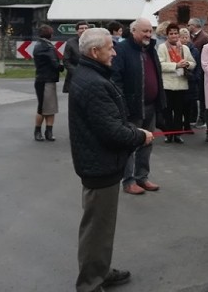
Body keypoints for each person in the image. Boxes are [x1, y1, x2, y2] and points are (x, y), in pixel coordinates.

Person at [68, 27, 154, 292]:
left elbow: (108, 123)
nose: (114, 52)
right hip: (100, 165)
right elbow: (112, 131)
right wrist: (140, 136)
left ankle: (100, 271)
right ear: (95, 52)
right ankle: (90, 283)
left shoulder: (90, 74)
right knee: (97, 228)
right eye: (110, 47)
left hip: (99, 162)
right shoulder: (94, 83)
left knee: (101, 228)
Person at [112, 18, 165, 195]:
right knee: (129, 144)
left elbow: (157, 75)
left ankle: (142, 177)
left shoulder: (150, 49)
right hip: (132, 107)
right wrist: (122, 106)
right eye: (144, 31)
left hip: (150, 105)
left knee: (147, 142)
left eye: (150, 31)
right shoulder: (122, 49)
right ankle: (128, 181)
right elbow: (116, 79)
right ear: (133, 31)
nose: (148, 35)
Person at [157, 23, 195, 144]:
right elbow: (160, 64)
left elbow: (193, 63)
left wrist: (187, 64)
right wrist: (176, 65)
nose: (174, 35)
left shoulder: (185, 48)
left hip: (181, 83)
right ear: (167, 35)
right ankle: (168, 134)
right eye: (171, 33)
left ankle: (178, 134)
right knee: (167, 111)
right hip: (168, 84)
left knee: (179, 111)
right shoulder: (162, 47)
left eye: (175, 33)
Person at [33, 24, 63, 142]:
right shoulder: (47, 47)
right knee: (44, 108)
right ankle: (39, 131)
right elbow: (54, 63)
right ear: (50, 34)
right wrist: (61, 67)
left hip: (44, 79)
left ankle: (48, 131)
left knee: (49, 107)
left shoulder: (39, 45)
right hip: (46, 80)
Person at [187, 18, 208, 130]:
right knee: (196, 96)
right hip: (194, 70)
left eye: (189, 25)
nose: (187, 27)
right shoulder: (193, 37)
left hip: (202, 71)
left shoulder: (205, 38)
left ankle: (203, 119)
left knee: (202, 96)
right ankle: (194, 118)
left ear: (194, 25)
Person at [179, 28, 202, 133]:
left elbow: (197, 65)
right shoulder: (176, 49)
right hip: (180, 80)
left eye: (186, 37)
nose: (184, 39)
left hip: (191, 80)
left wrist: (195, 77)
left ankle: (188, 124)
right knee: (180, 104)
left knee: (189, 104)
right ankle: (179, 124)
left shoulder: (194, 50)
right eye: (182, 37)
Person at [62, 21, 89, 93]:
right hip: (75, 77)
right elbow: (66, 61)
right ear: (77, 31)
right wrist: (76, 72)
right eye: (81, 28)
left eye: (86, 28)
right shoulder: (71, 43)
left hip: (90, 76)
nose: (84, 30)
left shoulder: (93, 42)